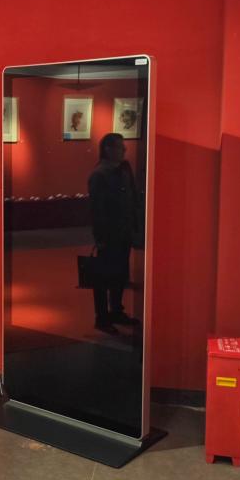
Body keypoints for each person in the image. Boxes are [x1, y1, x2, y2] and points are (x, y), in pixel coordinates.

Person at [88, 133, 141, 335]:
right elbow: (97, 210)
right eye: (120, 147)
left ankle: (116, 311)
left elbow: (131, 201)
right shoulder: (100, 175)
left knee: (119, 274)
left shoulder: (122, 170)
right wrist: (100, 237)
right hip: (109, 235)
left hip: (123, 232)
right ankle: (102, 318)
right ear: (108, 149)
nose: (124, 150)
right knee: (103, 278)